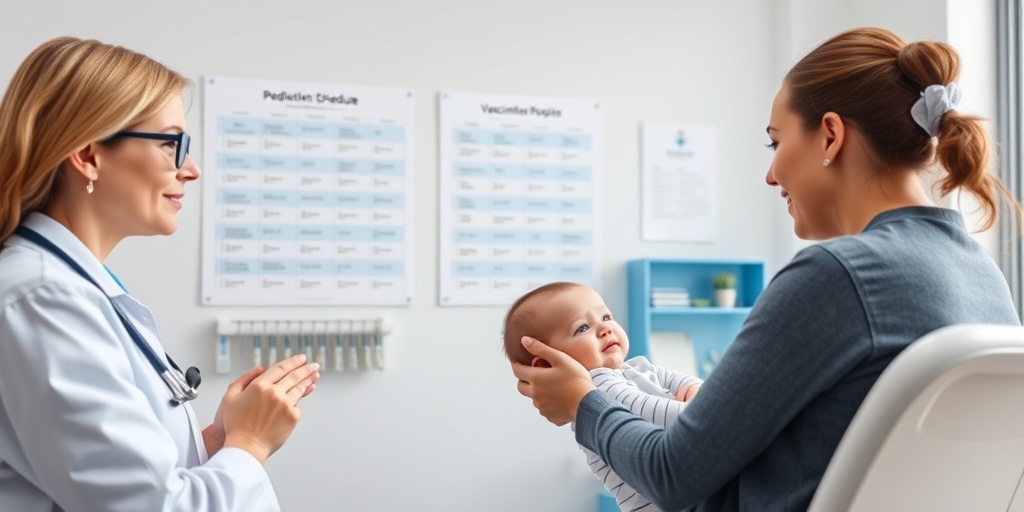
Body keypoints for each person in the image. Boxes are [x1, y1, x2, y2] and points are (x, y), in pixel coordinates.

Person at [511, 27, 1023, 511]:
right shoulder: (984, 274)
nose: (770, 173)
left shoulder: (837, 276)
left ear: (829, 136)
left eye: (776, 143)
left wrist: (581, 403)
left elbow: (671, 475)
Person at [0, 37, 320, 511]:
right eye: (172, 143)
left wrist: (216, 438)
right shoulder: (43, 297)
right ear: (88, 156)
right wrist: (251, 442)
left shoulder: (70, 288)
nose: (191, 170)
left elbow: (109, 476)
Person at [503, 282, 702, 511]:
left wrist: (697, 391)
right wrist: (700, 403)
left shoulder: (637, 367)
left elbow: (694, 385)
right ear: (549, 363)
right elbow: (692, 422)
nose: (605, 329)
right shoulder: (600, 385)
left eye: (606, 316)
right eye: (582, 328)